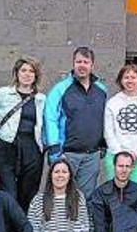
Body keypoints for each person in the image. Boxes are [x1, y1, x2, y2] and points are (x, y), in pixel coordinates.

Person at [43, 47, 108, 199]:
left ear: (92, 65)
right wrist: (54, 150)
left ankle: (81, 224)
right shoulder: (60, 89)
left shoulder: (101, 90)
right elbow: (50, 118)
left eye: (86, 62)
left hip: (92, 155)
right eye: (78, 61)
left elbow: (104, 118)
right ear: (73, 63)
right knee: (61, 196)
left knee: (85, 199)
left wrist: (104, 143)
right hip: (66, 154)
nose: (82, 65)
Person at [0, 57, 47, 211]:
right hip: (6, 146)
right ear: (17, 73)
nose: (27, 74)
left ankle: (21, 231)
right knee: (8, 192)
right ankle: (6, 231)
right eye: (24, 70)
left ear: (36, 75)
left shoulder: (41, 99)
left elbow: (45, 125)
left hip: (32, 148)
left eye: (31, 71)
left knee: (28, 193)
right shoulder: (1, 94)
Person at [27, 158, 91, 232]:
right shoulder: (38, 200)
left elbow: (83, 227)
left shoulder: (78, 198)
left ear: (69, 176)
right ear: (50, 175)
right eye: (56, 172)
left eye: (64, 172)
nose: (60, 175)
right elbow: (32, 229)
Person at [104, 63, 137, 188]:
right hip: (114, 156)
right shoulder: (112, 103)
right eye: (126, 77)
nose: (130, 80)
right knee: (114, 195)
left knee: (135, 194)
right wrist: (120, 155)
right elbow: (108, 132)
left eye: (133, 77)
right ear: (121, 80)